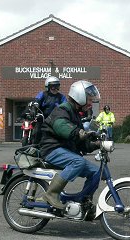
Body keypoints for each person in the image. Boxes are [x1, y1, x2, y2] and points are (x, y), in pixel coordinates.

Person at [38, 80, 101, 211]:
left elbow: (81, 144)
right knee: (78, 162)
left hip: (64, 150)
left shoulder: (76, 115)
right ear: (80, 97)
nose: (90, 104)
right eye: (89, 100)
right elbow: (62, 127)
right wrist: (79, 132)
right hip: (52, 149)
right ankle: (51, 193)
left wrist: (96, 144)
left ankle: (84, 203)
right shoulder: (63, 110)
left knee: (96, 172)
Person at [31, 76, 67, 144]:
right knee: (37, 130)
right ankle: (34, 145)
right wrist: (34, 108)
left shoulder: (61, 97)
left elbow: (66, 106)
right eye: (53, 87)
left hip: (55, 118)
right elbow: (36, 101)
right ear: (48, 87)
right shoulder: (43, 94)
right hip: (43, 117)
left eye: (57, 87)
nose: (56, 89)